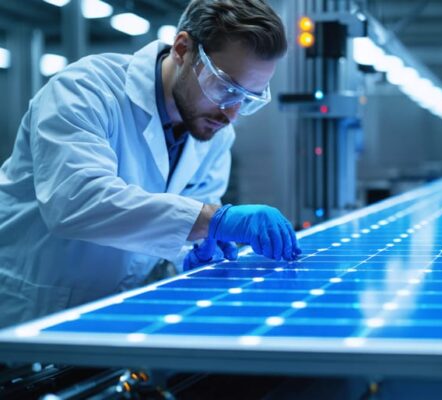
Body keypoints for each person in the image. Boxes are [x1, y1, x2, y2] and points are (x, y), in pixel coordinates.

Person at [0, 0, 301, 329]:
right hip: (34, 313)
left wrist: (189, 256)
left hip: (121, 315)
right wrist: (214, 219)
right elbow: (75, 202)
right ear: (183, 49)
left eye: (247, 98)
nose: (231, 114)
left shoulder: (213, 134)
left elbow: (177, 232)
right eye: (225, 88)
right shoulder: (83, 91)